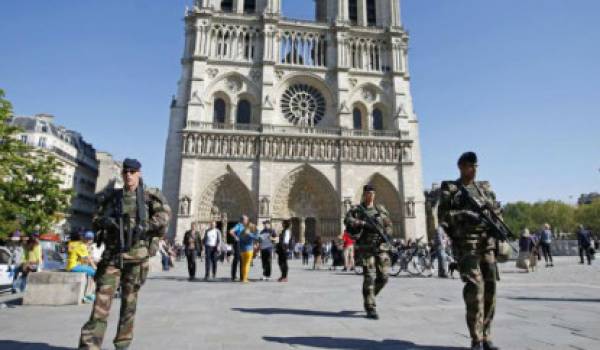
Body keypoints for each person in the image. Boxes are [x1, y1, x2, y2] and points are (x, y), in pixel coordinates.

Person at [79, 158, 171, 350]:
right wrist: (104, 222)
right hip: (112, 257)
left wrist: (144, 227)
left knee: (129, 306)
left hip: (136, 258)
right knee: (100, 307)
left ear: (139, 173)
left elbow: (164, 217)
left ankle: (122, 344)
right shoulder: (112, 197)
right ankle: (89, 346)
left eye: (132, 172)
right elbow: (95, 216)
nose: (128, 175)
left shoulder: (149, 196)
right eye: (125, 172)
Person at [438, 151, 507, 350]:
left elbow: (497, 212)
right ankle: (476, 338)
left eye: (476, 166)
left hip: (487, 245)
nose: (474, 169)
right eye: (470, 166)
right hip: (467, 245)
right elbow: (443, 216)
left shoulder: (484, 189)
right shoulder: (451, 189)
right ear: (461, 167)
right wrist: (465, 214)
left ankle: (486, 335)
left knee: (490, 290)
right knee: (474, 290)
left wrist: (495, 219)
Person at [344, 184, 393, 320]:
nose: (370, 195)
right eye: (368, 193)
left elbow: (389, 224)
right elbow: (347, 220)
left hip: (381, 246)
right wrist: (363, 224)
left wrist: (387, 234)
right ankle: (370, 306)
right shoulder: (358, 210)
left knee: (384, 277)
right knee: (369, 277)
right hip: (366, 247)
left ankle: (370, 296)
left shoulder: (380, 209)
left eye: (372, 193)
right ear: (364, 194)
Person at [67, 231, 97, 302]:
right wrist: (95, 267)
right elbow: (88, 259)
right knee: (95, 273)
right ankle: (89, 295)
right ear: (83, 238)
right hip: (74, 266)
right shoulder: (82, 246)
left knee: (90, 272)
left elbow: (84, 259)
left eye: (90, 239)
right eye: (87, 239)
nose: (89, 241)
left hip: (72, 265)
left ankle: (89, 294)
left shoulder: (77, 244)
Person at [229, 215, 249, 281]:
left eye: (247, 220)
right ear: (242, 220)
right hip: (238, 243)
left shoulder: (245, 226)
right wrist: (235, 237)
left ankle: (242, 276)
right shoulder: (239, 225)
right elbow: (231, 231)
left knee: (242, 260)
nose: (247, 221)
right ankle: (233, 275)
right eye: (246, 220)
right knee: (237, 258)